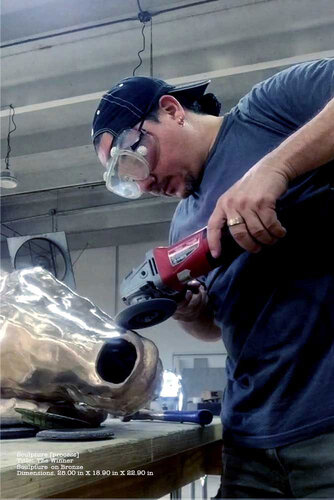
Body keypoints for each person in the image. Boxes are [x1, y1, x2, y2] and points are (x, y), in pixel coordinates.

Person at [91, 58, 334, 498]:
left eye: (135, 159)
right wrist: (192, 310)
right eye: (127, 179)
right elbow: (217, 328)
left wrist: (274, 169)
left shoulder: (270, 109)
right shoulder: (183, 226)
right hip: (250, 442)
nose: (144, 184)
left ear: (171, 110)